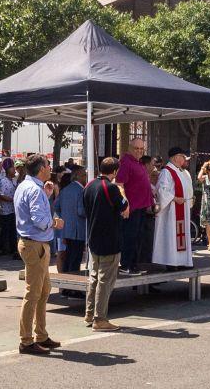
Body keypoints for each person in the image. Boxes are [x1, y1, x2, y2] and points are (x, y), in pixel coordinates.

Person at [12, 155, 64, 354]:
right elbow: (38, 219)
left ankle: (40, 334)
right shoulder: (34, 189)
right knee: (34, 293)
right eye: (48, 165)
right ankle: (26, 340)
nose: (50, 168)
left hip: (34, 243)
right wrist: (54, 222)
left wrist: (47, 195)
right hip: (35, 244)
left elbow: (32, 211)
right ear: (42, 168)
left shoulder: (28, 186)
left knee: (43, 291)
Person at [80, 155, 128, 331]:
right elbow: (125, 208)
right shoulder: (111, 188)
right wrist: (122, 191)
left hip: (93, 237)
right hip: (110, 239)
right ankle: (100, 319)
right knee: (105, 280)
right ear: (115, 171)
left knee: (94, 277)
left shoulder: (89, 185)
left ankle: (89, 314)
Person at [116, 137, 154, 273]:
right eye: (136, 148)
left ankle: (133, 265)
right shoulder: (126, 162)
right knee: (130, 236)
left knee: (138, 237)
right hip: (131, 208)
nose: (139, 151)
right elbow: (119, 184)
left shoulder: (139, 163)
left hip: (142, 207)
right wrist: (125, 205)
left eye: (141, 149)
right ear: (130, 148)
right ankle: (126, 265)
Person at [153, 148, 196, 268]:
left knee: (181, 236)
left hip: (182, 209)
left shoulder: (179, 171)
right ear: (176, 157)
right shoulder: (167, 171)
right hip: (171, 211)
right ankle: (171, 262)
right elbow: (161, 190)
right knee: (171, 236)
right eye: (182, 156)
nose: (184, 159)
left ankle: (182, 261)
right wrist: (175, 198)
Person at [56, 163, 87, 275]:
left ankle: (67, 287)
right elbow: (81, 211)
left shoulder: (64, 190)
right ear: (79, 176)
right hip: (78, 230)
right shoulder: (81, 191)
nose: (86, 178)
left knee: (68, 257)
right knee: (75, 260)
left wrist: (65, 216)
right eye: (84, 175)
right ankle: (73, 289)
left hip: (66, 229)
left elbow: (56, 207)